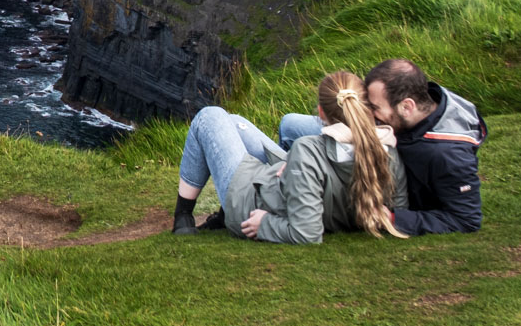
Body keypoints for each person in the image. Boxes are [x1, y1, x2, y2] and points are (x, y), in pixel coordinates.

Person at [173, 71, 408, 242]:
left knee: (210, 116)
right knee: (235, 123)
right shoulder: (387, 149)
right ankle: (207, 215)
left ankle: (183, 216)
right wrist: (293, 163)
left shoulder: (309, 150)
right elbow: (397, 211)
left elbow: (306, 233)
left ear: (320, 112)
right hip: (281, 188)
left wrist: (265, 224)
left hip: (247, 205)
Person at [362, 58, 485, 233]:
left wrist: (392, 218)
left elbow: (465, 219)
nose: (370, 115)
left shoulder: (448, 156)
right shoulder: (424, 105)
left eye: (375, 108)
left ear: (407, 106)